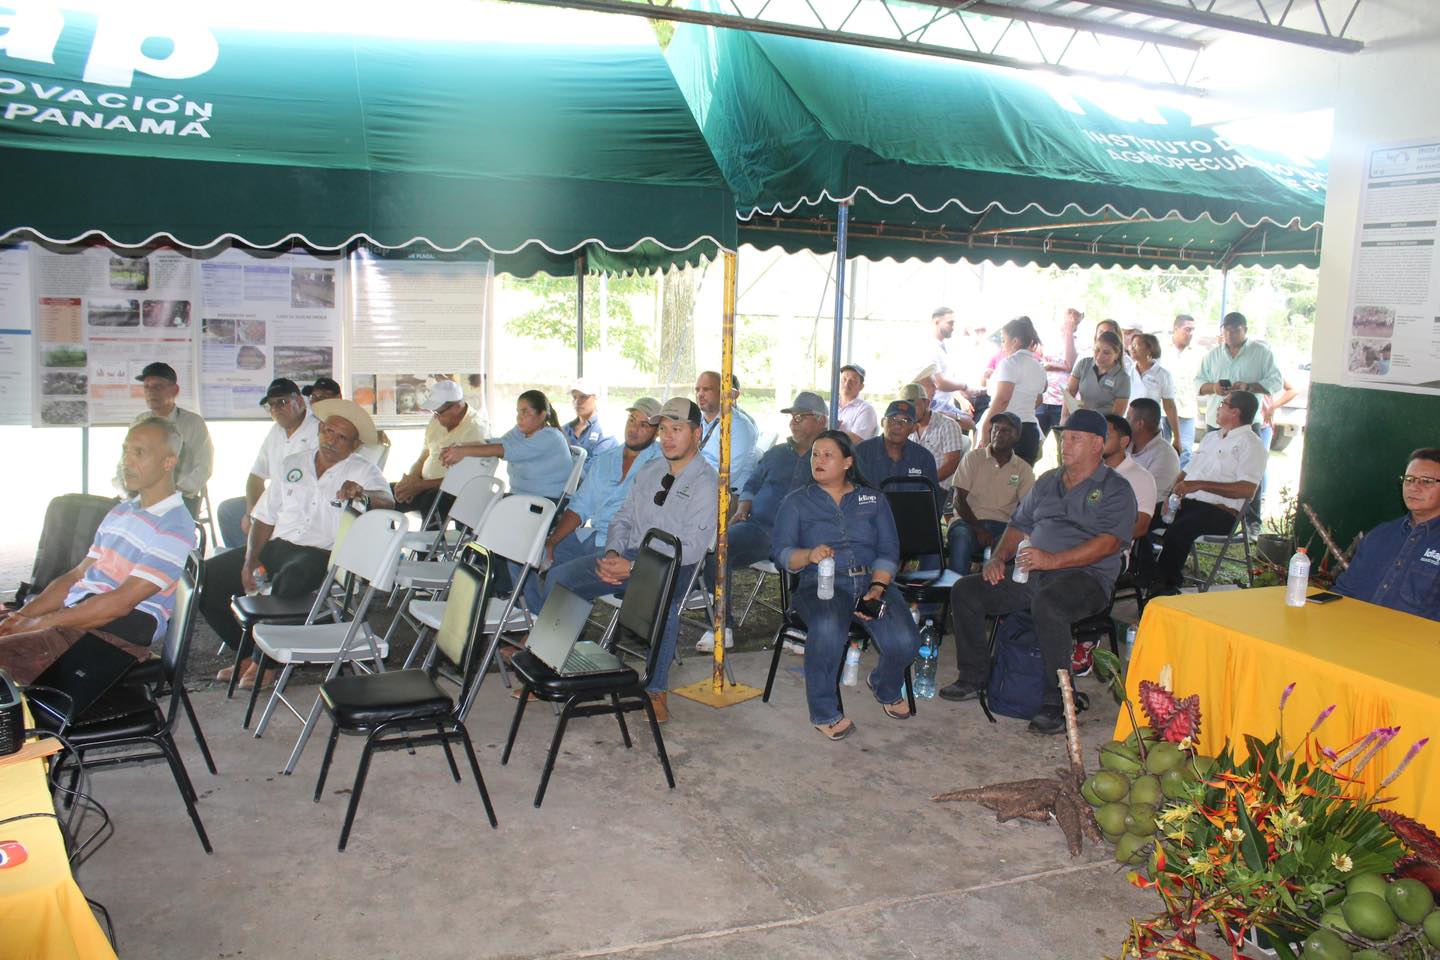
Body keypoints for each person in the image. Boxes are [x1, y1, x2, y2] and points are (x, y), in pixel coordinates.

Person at [940, 409, 1136, 735]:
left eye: (1075, 439)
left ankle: (1056, 703)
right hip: (1034, 571)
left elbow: (1109, 543)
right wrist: (998, 558)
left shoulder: (1115, 488)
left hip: (1087, 579)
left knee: (1049, 604)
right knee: (967, 591)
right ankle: (973, 677)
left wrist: (1053, 560)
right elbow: (1019, 525)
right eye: (1063, 438)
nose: (1065, 445)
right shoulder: (1048, 481)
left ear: (1097, 445)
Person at [544, 398, 719, 723]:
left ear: (696, 434)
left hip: (673, 568)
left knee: (663, 606)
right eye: (663, 429)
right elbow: (622, 519)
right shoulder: (651, 471)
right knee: (561, 577)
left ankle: (656, 689)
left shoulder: (706, 483)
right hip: (629, 557)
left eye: (677, 429)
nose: (667, 437)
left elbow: (693, 548)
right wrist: (613, 554)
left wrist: (636, 569)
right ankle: (553, 666)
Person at [200, 400, 394, 687]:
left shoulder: (363, 470)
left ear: (354, 446)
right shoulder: (293, 463)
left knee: (290, 581)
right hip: (278, 546)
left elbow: (388, 501)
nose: (331, 441)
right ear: (320, 430)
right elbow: (265, 516)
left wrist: (362, 494)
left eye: (342, 437)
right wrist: (251, 558)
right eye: (328, 431)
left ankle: (265, 663)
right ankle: (245, 654)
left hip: (319, 554)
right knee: (205, 579)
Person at [0, 418, 195, 683]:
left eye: (139, 453)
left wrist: (38, 623)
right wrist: (23, 616)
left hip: (109, 637)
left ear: (168, 462)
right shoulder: (122, 511)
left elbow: (121, 603)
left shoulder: (174, 526)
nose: (127, 461)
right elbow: (77, 575)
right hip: (79, 616)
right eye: (125, 450)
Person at [770, 430, 922, 740]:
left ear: (847, 462)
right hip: (820, 583)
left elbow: (888, 550)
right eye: (815, 454)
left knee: (906, 642)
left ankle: (884, 685)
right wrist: (808, 555)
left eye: (828, 455)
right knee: (828, 628)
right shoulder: (796, 502)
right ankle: (825, 712)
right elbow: (781, 553)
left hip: (871, 581)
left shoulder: (873, 499)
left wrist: (878, 588)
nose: (819, 460)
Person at [698, 391, 829, 652]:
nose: (793, 422)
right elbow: (752, 482)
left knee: (819, 559)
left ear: (821, 421)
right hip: (760, 528)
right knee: (717, 547)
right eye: (792, 417)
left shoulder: (830, 455)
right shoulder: (776, 453)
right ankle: (721, 626)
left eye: (801, 417)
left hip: (802, 535)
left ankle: (799, 626)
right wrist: (743, 506)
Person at [526, 398, 662, 614]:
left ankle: (542, 630)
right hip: (592, 536)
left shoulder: (662, 463)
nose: (634, 429)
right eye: (632, 419)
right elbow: (580, 506)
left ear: (657, 432)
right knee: (525, 556)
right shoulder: (607, 459)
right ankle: (538, 618)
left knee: (559, 577)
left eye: (644, 425)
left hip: (625, 547)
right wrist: (552, 542)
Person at [1151, 391, 1267, 595]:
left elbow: (1247, 489)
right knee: (1143, 517)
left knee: (1179, 529)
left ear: (1235, 412)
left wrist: (1201, 485)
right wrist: (1171, 495)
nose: (1218, 408)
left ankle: (1165, 587)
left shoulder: (1251, 444)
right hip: (1187, 504)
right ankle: (1142, 571)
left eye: (1222, 404)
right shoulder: (1211, 437)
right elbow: (1187, 472)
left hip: (1220, 511)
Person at [1333, 448, 1440, 621]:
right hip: (1354, 629)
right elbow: (1344, 591)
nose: (1413, 487)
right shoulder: (1380, 535)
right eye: (1409, 479)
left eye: (1426, 481)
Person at [216, 378, 321, 550]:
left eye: (282, 402)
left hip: (299, 507)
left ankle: (255, 555)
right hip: (273, 501)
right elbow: (256, 476)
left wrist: (262, 516)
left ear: (300, 401)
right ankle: (248, 555)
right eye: (271, 405)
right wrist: (251, 512)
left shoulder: (318, 430)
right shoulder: (276, 431)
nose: (275, 409)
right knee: (227, 511)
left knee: (268, 521)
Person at [113, 361, 213, 517]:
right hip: (140, 493)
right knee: (108, 514)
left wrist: (170, 492)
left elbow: (203, 468)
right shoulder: (140, 422)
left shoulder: (193, 423)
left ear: (175, 390)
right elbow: (123, 462)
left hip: (179, 497)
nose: (151, 392)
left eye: (158, 387)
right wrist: (126, 491)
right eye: (147, 387)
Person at [439, 389, 574, 501]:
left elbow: (506, 450)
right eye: (518, 412)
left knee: (478, 506)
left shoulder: (550, 437)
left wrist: (463, 451)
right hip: (521, 499)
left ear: (542, 415)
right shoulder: (520, 432)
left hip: (546, 502)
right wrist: (460, 446)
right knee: (471, 502)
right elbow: (495, 443)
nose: (519, 417)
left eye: (525, 412)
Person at [946, 412, 1034, 575]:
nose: (998, 433)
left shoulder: (1023, 469)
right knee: (961, 538)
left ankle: (991, 588)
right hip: (968, 522)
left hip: (1003, 526)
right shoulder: (973, 458)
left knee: (1009, 545)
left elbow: (1027, 509)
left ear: (1017, 436)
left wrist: (1010, 534)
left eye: (1006, 430)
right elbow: (958, 499)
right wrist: (979, 529)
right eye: (995, 429)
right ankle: (954, 587)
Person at [392, 379, 488, 521]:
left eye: (438, 412)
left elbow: (467, 478)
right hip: (424, 486)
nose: (435, 417)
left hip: (456, 493)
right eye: (433, 412)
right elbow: (422, 458)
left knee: (432, 500)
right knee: (386, 493)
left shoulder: (476, 429)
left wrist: (420, 486)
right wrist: (411, 481)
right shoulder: (436, 421)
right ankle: (384, 535)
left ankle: (429, 537)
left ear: (457, 407)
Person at [976, 316, 1047, 466]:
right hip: (1030, 431)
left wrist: (986, 427)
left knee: (997, 476)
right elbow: (1039, 399)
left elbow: (1002, 399)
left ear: (1015, 341)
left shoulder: (1010, 363)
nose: (1002, 346)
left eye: (1004, 340)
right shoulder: (1039, 367)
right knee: (1020, 478)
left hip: (1007, 431)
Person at [853, 400, 940, 496]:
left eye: (905, 421)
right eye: (893, 419)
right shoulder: (861, 452)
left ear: (913, 428)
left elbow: (932, 499)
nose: (898, 425)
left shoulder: (924, 458)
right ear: (882, 422)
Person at [695, 371, 760, 492]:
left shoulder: (739, 426)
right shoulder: (696, 421)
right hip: (697, 485)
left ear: (722, 393)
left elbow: (724, 477)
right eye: (697, 390)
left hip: (728, 494)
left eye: (706, 389)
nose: (700, 394)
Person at [901, 382, 967, 491]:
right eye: (906, 408)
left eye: (914, 406)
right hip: (912, 488)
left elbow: (951, 464)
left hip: (938, 488)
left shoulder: (947, 425)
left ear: (927, 403)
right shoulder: (907, 428)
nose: (910, 411)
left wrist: (924, 483)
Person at [1101, 415, 1158, 537]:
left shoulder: (1142, 478)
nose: (1099, 441)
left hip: (1109, 545)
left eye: (1106, 435)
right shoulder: (1087, 469)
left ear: (1124, 441)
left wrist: (1100, 541)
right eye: (1096, 435)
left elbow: (1140, 527)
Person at [1158, 314, 1201, 468]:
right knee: (1161, 450)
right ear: (1176, 329)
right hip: (1162, 409)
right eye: (1187, 329)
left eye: (1193, 330)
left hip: (1186, 409)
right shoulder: (1161, 349)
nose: (1191, 333)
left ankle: (1179, 482)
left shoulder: (1198, 353)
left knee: (1185, 451)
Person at [1129, 334, 1182, 455]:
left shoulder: (1163, 375)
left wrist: (1177, 437)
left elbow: (1169, 406)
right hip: (1128, 426)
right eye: (1132, 345)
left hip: (1150, 429)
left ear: (1149, 349)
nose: (1132, 348)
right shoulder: (1128, 371)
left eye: (1137, 345)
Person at [1126, 399, 1181, 506]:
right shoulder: (1126, 444)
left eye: (1128, 418)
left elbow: (1148, 499)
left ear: (1140, 424)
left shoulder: (1166, 457)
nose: (1124, 422)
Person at [1067, 330, 1131, 416]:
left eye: (1106, 353)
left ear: (1117, 354)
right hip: (1081, 417)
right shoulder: (1084, 364)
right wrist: (1064, 417)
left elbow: (1117, 415)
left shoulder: (1123, 378)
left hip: (1105, 421)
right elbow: (1069, 393)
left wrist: (1091, 414)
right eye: (1097, 350)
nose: (1099, 356)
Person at [562, 379, 617, 476]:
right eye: (574, 397)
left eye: (583, 397)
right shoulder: (565, 429)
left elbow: (594, 471)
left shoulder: (605, 432)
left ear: (596, 398)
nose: (577, 402)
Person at [836, 363, 878, 443]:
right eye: (844, 379)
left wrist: (830, 430)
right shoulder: (830, 405)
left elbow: (856, 440)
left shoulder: (865, 409)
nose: (847, 384)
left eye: (853, 381)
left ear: (861, 386)